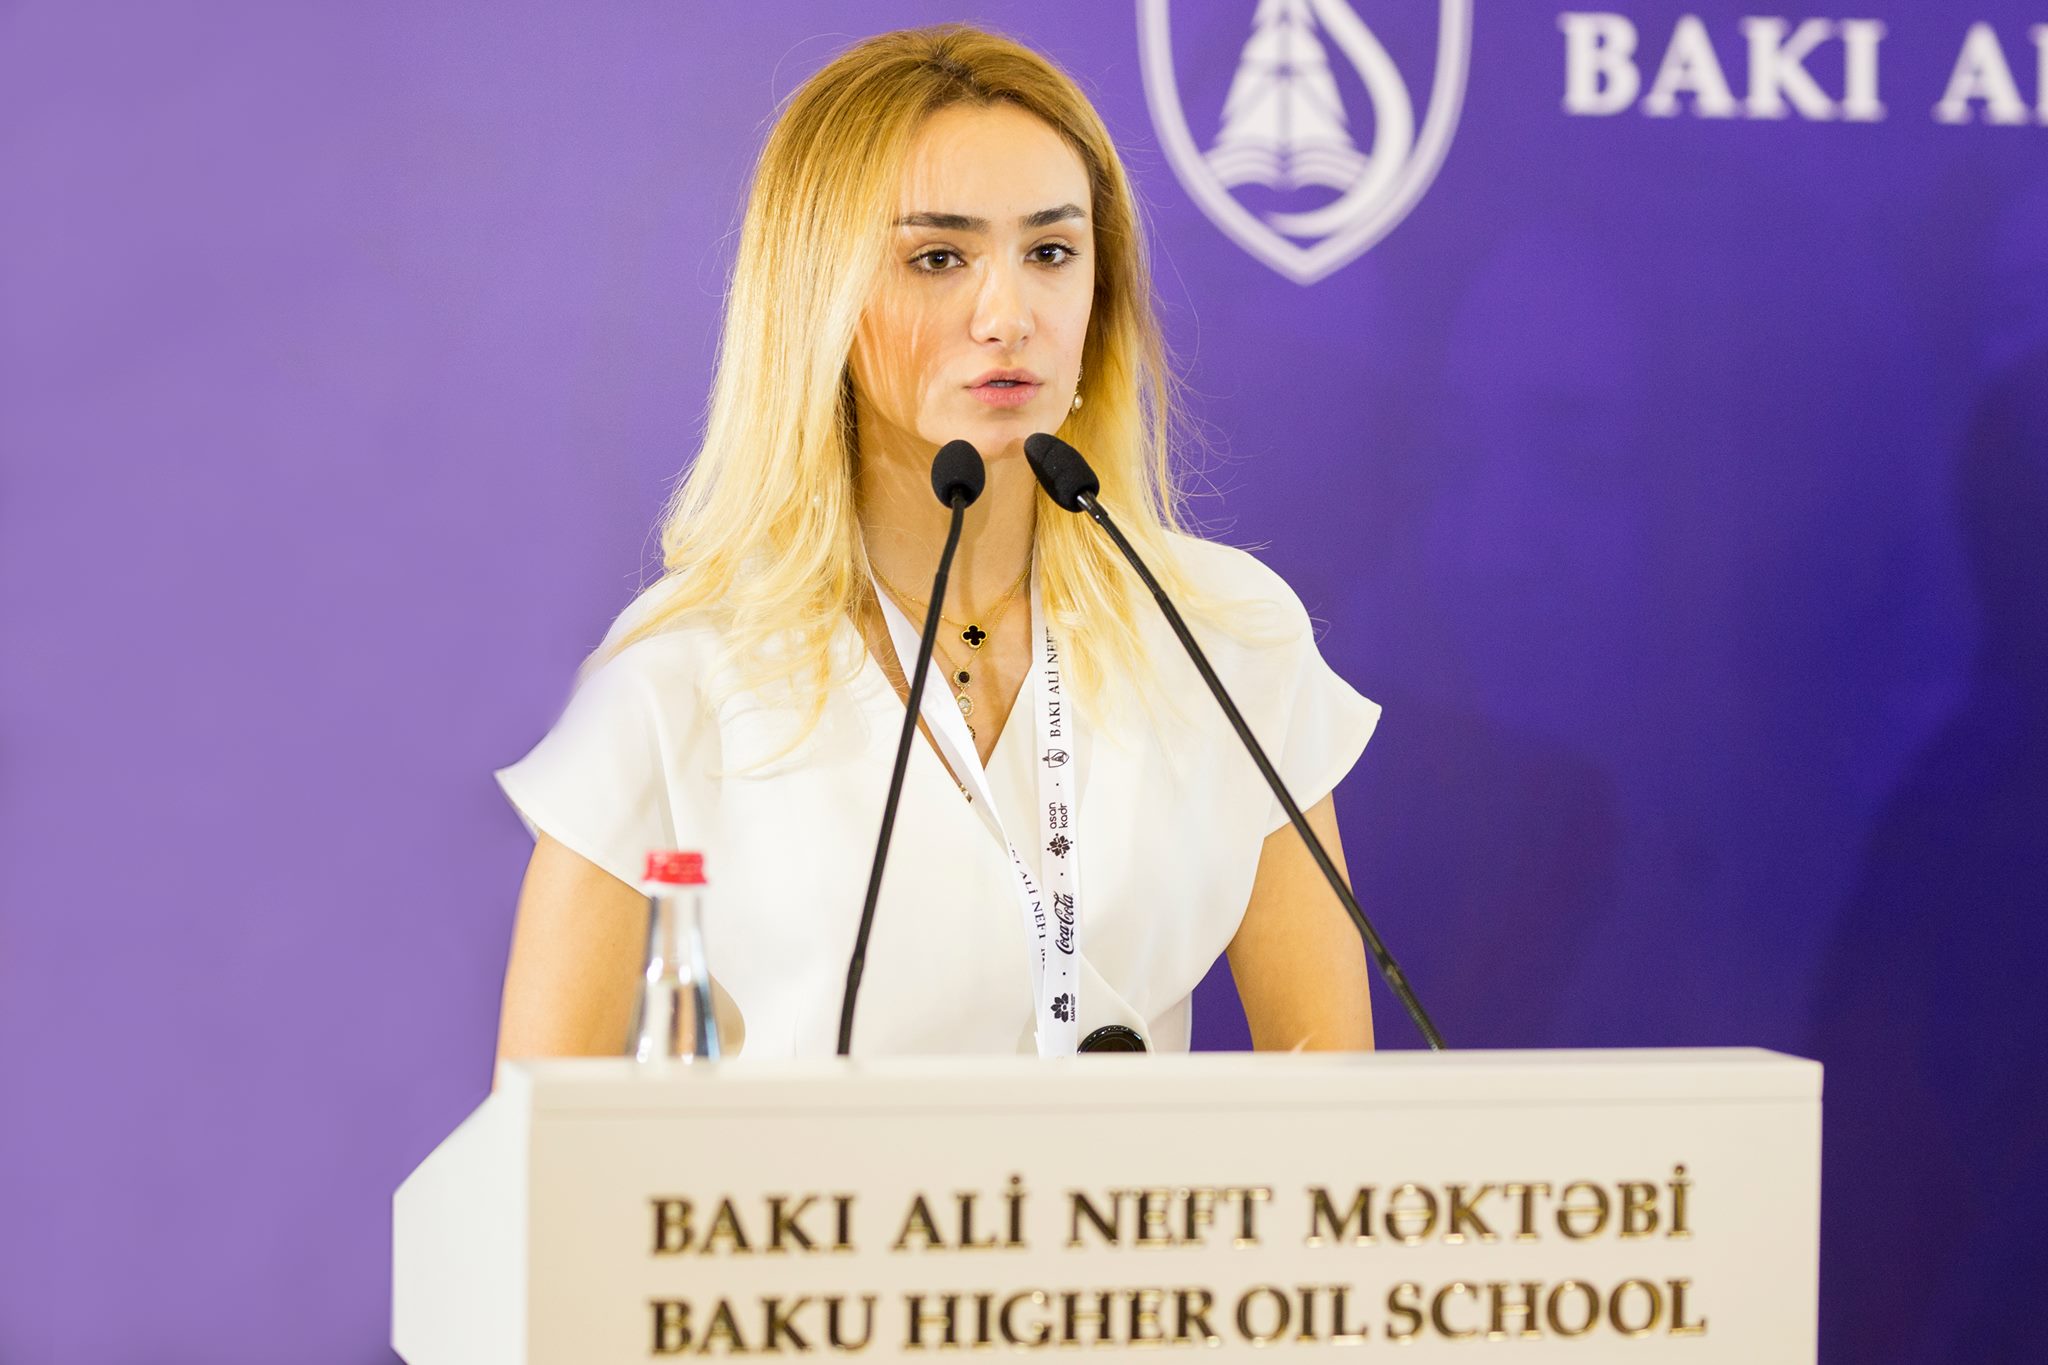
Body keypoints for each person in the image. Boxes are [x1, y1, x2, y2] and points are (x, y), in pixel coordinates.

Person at [492, 24, 1381, 1064]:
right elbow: (536, 1144)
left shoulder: (1224, 633)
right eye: (938, 258)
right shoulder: (673, 681)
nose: (1008, 314)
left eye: (1050, 253)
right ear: (817, 301)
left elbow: (1334, 1109)